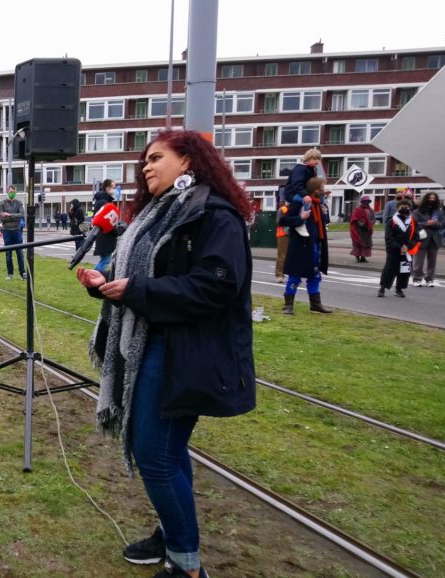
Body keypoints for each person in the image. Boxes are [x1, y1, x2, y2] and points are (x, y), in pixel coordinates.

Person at [76, 130, 254, 578]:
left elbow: (216, 285)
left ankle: (187, 567)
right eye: (144, 161)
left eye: (156, 158)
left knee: (155, 454)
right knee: (167, 453)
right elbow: (133, 271)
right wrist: (106, 283)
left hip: (186, 352)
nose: (146, 167)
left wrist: (138, 291)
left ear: (189, 161)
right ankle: (174, 532)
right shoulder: (153, 215)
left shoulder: (214, 215)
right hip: (150, 343)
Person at [280, 177, 332, 315]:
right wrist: (301, 218)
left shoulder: (319, 203)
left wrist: (325, 213)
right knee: (295, 275)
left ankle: (315, 304)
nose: (324, 189)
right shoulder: (299, 203)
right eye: (322, 187)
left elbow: (322, 223)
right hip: (300, 245)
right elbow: (283, 220)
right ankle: (288, 305)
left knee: (315, 274)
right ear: (316, 190)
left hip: (315, 244)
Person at [378, 199, 420, 298]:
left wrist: (408, 246)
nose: (405, 209)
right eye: (402, 207)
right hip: (394, 250)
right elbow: (388, 237)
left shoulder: (412, 221)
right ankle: (382, 288)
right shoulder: (392, 221)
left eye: (407, 207)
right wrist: (399, 247)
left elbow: (416, 237)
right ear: (397, 208)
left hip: (407, 251)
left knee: (404, 271)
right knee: (389, 269)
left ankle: (399, 289)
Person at [410, 191, 445, 287]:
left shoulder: (439, 211)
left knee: (432, 260)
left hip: (435, 239)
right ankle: (417, 278)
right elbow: (414, 224)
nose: (432, 200)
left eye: (434, 198)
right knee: (418, 260)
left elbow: (442, 224)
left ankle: (429, 279)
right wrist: (426, 223)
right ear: (426, 199)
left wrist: (435, 223)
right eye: (430, 198)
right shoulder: (417, 211)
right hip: (421, 238)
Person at [0, 186, 26, 280]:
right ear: (7, 192)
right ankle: (10, 273)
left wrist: (9, 215)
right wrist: (14, 216)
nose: (12, 193)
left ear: (15, 192)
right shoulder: (2, 203)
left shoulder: (19, 203)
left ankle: (22, 273)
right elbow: (1, 218)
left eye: (13, 191)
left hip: (17, 230)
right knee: (8, 253)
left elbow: (22, 214)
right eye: (10, 191)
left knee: (20, 253)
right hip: (7, 231)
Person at [92, 179, 117, 272]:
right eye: (113, 188)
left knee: (105, 260)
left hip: (103, 235)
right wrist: (116, 232)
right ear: (107, 188)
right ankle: (91, 277)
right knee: (105, 261)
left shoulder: (102, 201)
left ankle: (93, 277)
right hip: (105, 236)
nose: (115, 190)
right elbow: (108, 221)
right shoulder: (104, 203)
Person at [349, 195, 375, 263]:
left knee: (366, 244)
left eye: (368, 201)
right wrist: (361, 224)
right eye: (365, 201)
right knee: (358, 243)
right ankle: (357, 257)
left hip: (367, 231)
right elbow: (354, 219)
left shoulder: (371, 210)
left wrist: (370, 224)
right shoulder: (357, 210)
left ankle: (363, 257)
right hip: (359, 230)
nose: (366, 203)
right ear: (362, 202)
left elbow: (373, 219)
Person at [273, 201, 290, 283]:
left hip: (293, 234)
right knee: (282, 255)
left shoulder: (297, 209)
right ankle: (279, 274)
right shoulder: (282, 209)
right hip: (283, 234)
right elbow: (278, 221)